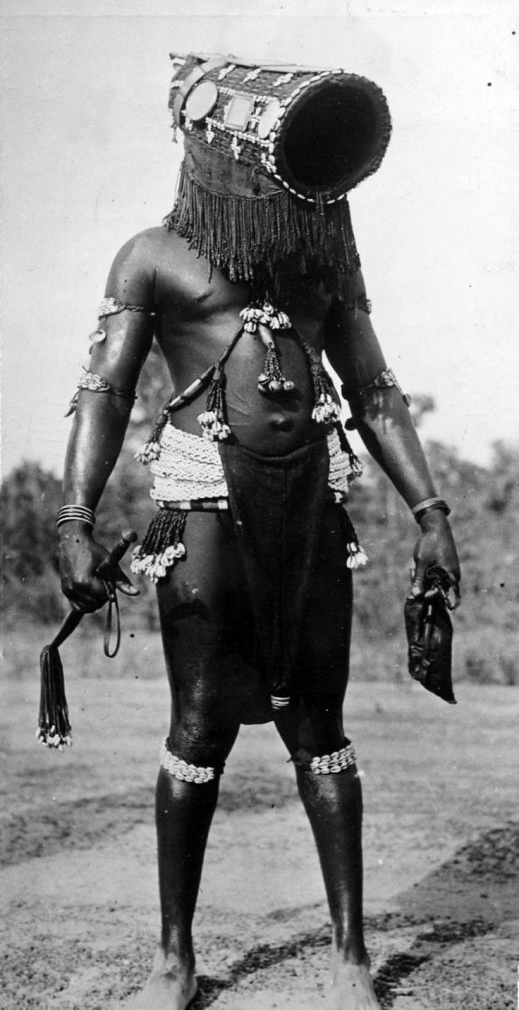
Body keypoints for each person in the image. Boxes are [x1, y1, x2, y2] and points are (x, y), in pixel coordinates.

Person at [57, 53, 460, 1010]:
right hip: (201, 512)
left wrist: (431, 512)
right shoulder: (152, 255)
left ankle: (350, 961)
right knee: (197, 726)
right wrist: (74, 519)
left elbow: (373, 388)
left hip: (311, 512)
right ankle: (172, 962)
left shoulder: (320, 257)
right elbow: (105, 392)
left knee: (319, 726)